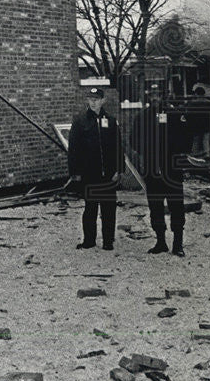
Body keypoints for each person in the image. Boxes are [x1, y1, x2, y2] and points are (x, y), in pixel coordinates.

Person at [131, 87, 189, 256]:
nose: (155, 98)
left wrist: (172, 154)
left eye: (158, 95)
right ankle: (161, 242)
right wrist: (149, 152)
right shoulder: (142, 117)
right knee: (155, 207)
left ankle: (178, 244)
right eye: (152, 95)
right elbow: (134, 140)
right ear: (147, 96)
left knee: (176, 207)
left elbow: (186, 140)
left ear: (164, 96)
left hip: (172, 171)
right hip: (152, 169)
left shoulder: (176, 115)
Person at [68, 87, 122, 251]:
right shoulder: (80, 121)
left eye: (97, 99)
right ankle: (89, 240)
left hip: (108, 175)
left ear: (103, 101)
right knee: (90, 208)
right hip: (89, 174)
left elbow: (118, 146)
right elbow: (74, 149)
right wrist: (75, 173)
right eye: (90, 99)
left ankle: (108, 240)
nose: (93, 102)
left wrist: (119, 170)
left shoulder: (111, 121)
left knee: (108, 208)